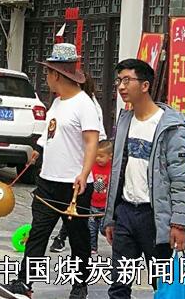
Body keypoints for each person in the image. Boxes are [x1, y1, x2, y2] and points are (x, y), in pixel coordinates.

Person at [0, 43, 100, 299]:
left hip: (74, 186)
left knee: (78, 239)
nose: (46, 78)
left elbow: (92, 142)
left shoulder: (84, 104)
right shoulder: (58, 102)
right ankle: (24, 284)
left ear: (57, 74)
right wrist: (38, 150)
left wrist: (84, 173)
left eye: (47, 73)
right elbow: (50, 132)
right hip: (47, 182)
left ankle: (79, 286)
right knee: (38, 234)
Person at [104, 58, 185, 299]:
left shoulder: (170, 127)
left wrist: (179, 223)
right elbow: (118, 172)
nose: (121, 86)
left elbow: (181, 179)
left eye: (127, 80)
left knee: (161, 286)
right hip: (125, 212)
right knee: (119, 285)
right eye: (119, 81)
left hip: (154, 217)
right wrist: (110, 217)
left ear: (145, 85)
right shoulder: (125, 121)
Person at [50, 71, 107, 253]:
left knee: (79, 216)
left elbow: (96, 140)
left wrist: (87, 169)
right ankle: (62, 238)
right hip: (61, 172)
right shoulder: (59, 103)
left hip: (84, 169)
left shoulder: (88, 105)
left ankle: (76, 245)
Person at [88, 139, 112, 255]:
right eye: (96, 155)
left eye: (101, 156)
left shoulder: (112, 168)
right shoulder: (92, 166)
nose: (98, 159)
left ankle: (115, 244)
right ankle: (92, 247)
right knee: (91, 229)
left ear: (110, 156)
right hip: (93, 204)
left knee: (104, 229)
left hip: (105, 206)